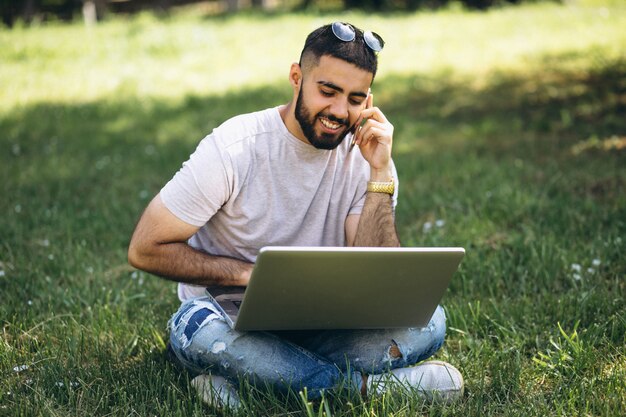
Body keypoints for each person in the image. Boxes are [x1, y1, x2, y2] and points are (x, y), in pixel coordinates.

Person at [128, 22, 463, 409]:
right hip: (229, 320)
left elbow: (377, 268)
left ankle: (254, 385)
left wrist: (380, 176)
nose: (339, 111)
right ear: (296, 77)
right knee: (197, 330)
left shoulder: (369, 160)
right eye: (328, 91)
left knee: (430, 320)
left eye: (355, 99)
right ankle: (368, 390)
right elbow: (146, 248)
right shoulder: (234, 147)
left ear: (369, 100)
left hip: (326, 325)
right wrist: (246, 274)